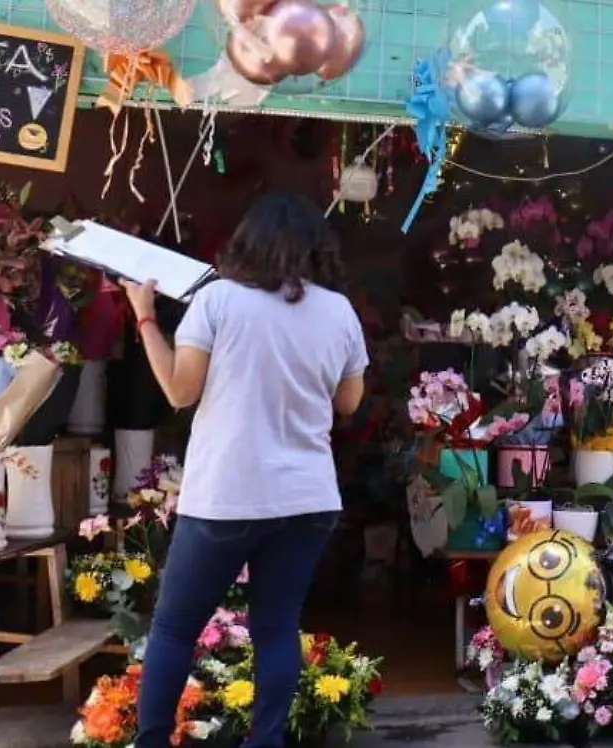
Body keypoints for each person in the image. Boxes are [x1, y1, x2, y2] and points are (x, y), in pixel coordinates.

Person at [121, 193, 368, 748]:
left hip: (226, 496)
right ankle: (268, 742)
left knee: (174, 627)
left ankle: (152, 741)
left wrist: (143, 317)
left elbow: (180, 391)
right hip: (308, 498)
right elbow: (348, 402)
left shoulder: (217, 301)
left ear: (247, 243)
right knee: (276, 628)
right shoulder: (339, 311)